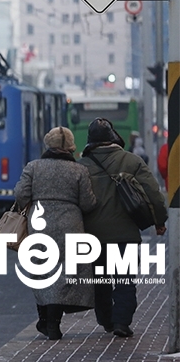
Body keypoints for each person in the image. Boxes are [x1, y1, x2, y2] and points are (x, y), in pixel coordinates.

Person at [78, 118, 168, 338]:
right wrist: (160, 220)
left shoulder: (81, 166)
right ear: (113, 137)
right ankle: (121, 322)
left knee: (100, 280)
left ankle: (107, 320)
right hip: (125, 236)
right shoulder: (132, 161)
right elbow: (154, 195)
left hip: (93, 238)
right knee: (125, 280)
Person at [14, 126, 98, 340]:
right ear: (70, 147)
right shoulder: (79, 170)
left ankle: (44, 319)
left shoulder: (33, 167)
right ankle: (53, 323)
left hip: (39, 225)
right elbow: (88, 204)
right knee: (64, 275)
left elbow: (21, 194)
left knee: (42, 272)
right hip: (71, 224)